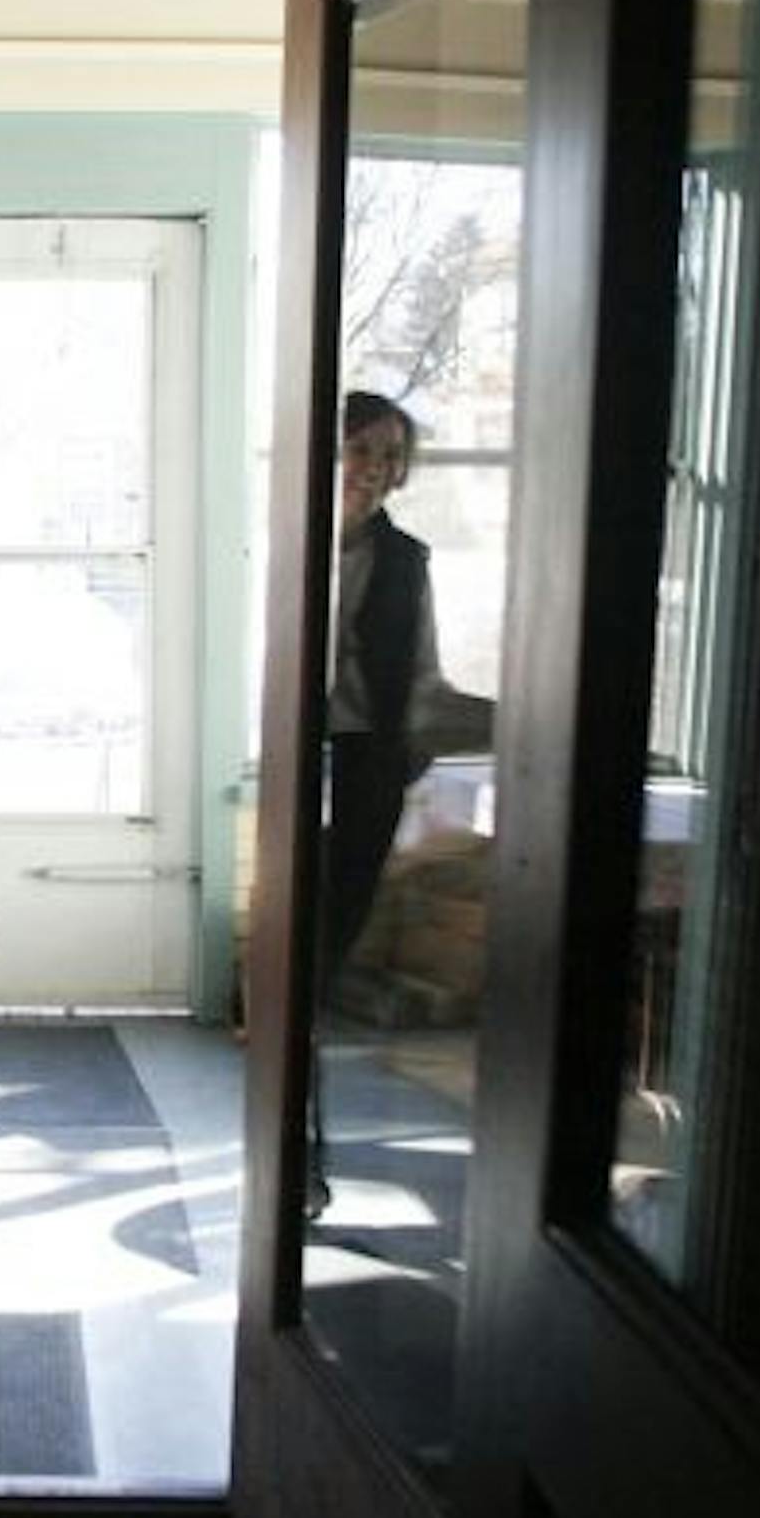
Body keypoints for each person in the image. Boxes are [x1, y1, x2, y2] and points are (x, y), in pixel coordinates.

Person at [311, 389, 492, 1217]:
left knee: (327, 949)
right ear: (331, 447)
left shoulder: (407, 560)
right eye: (363, 449)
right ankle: (298, 1144)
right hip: (293, 760)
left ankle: (305, 1154)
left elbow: (420, 680)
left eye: (390, 457)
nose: (376, 471)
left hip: (365, 764)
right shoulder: (292, 538)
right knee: (294, 958)